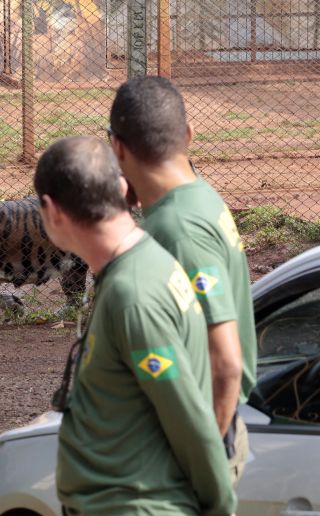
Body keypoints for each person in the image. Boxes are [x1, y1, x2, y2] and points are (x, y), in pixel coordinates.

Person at [34, 136, 238, 516]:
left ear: (51, 211)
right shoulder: (139, 266)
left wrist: (220, 507)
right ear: (123, 188)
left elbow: (188, 414)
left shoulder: (133, 294)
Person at [108, 76, 255, 484]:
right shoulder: (200, 196)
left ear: (117, 147)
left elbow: (225, 365)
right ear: (189, 134)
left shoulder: (178, 228)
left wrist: (201, 474)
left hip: (196, 442)